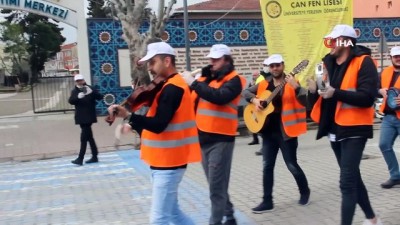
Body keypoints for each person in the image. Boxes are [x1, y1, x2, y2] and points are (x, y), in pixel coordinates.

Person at [108, 41, 201, 225]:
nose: (149, 68)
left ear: (167, 61)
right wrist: (130, 120)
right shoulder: (167, 86)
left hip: (169, 163)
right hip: (164, 161)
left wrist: (129, 115)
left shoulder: (173, 88)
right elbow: (155, 126)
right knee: (173, 214)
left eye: (152, 62)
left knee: (158, 219)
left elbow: (159, 125)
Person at [307, 24, 382, 225]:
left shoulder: (364, 62)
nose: (329, 44)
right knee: (354, 179)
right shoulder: (328, 63)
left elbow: (367, 97)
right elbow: (324, 95)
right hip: (334, 129)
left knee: (346, 183)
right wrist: (313, 90)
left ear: (345, 42)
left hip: (355, 129)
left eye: (333, 40)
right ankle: (373, 219)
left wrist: (335, 92)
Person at [182, 44, 245, 225]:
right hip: (201, 138)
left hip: (221, 140)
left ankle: (215, 222)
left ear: (226, 60)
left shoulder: (235, 80)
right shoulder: (206, 78)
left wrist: (193, 82)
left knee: (216, 187)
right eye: (210, 59)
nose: (212, 62)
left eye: (216, 59)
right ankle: (229, 214)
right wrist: (184, 82)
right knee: (214, 184)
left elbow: (219, 97)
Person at [242, 54, 311, 213]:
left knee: (292, 165)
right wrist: (255, 101)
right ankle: (267, 201)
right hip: (268, 133)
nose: (275, 68)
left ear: (283, 65)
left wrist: (296, 87)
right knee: (267, 166)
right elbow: (245, 93)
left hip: (286, 132)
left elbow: (305, 101)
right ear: (269, 68)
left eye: (277, 65)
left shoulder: (292, 83)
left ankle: (304, 191)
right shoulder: (263, 85)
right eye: (272, 66)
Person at [378, 46, 400, 189]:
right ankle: (395, 176)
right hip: (388, 117)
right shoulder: (385, 72)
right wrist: (379, 90)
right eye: (395, 56)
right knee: (384, 145)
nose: (398, 58)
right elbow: (372, 89)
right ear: (391, 58)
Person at [68, 74, 103, 166]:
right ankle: (95, 156)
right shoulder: (75, 91)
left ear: (83, 80)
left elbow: (100, 97)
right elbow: (71, 101)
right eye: (78, 80)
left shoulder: (89, 88)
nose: (79, 82)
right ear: (76, 82)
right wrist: (77, 97)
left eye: (81, 80)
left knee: (83, 138)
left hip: (89, 117)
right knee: (89, 137)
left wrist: (93, 92)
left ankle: (80, 158)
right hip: (81, 117)